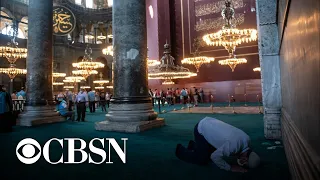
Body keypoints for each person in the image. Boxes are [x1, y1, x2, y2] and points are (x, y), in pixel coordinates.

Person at [175, 117, 260, 173]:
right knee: (203, 159)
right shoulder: (233, 147)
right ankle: (180, 151)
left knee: (210, 151)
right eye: (244, 163)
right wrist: (230, 167)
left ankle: (193, 146)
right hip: (201, 129)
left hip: (209, 122)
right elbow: (214, 156)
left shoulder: (248, 139)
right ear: (245, 159)